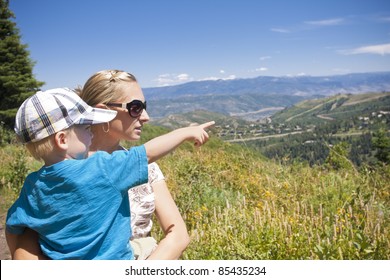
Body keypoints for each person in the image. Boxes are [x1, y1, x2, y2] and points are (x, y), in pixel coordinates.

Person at [5, 87, 214, 260]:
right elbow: (148, 152)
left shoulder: (33, 185)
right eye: (86, 127)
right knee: (148, 244)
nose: (90, 131)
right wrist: (185, 132)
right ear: (62, 140)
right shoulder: (102, 167)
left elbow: (13, 228)